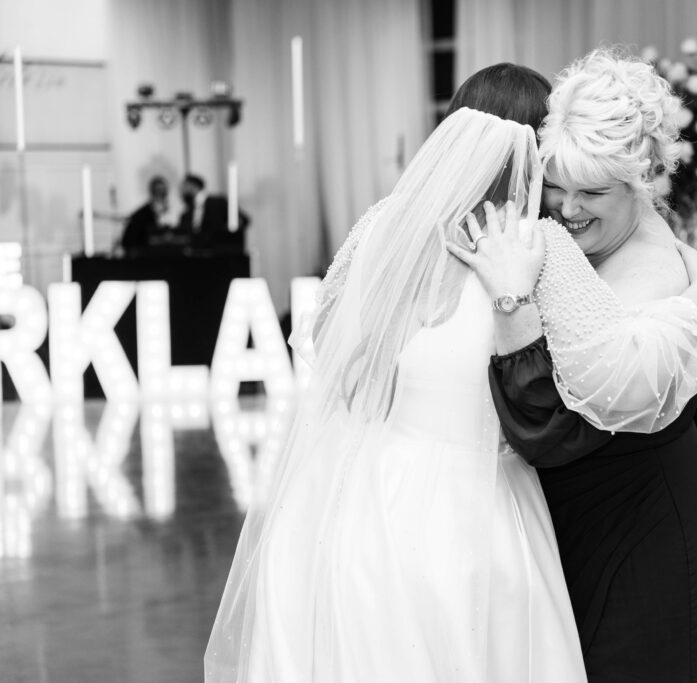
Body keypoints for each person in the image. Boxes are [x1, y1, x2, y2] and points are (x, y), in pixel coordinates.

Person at [205, 77, 587, 680]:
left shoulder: (386, 225)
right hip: (472, 507)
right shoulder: (534, 246)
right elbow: (582, 377)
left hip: (352, 489)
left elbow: (327, 338)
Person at [452, 48, 697, 681]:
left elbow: (556, 431)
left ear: (643, 183)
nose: (567, 207)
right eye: (555, 185)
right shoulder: (582, 242)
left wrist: (512, 304)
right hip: (592, 519)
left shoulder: (651, 276)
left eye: (592, 191)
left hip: (648, 526)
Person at [177, 173, 250, 252]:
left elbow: (242, 220)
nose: (181, 191)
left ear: (192, 186)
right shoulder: (188, 212)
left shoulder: (218, 203)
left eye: (184, 186)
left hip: (220, 253)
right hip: (197, 254)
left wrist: (227, 237)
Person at [120, 175, 177, 253]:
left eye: (163, 192)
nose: (160, 195)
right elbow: (129, 240)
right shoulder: (141, 215)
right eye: (157, 191)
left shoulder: (173, 211)